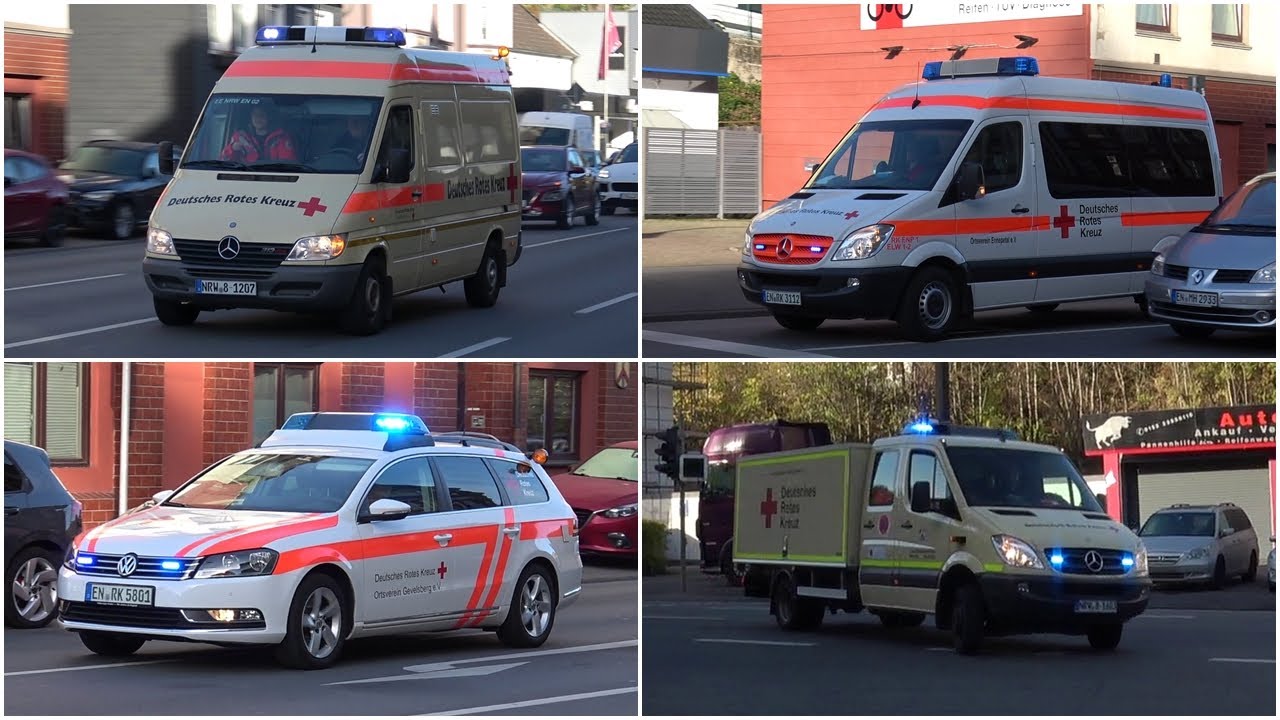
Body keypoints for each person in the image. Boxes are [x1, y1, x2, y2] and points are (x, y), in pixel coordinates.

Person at [220, 101, 297, 163]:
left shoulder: (281, 138)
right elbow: (224, 161)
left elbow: (287, 164)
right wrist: (233, 149)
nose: (258, 118)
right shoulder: (240, 137)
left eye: (262, 115)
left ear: (269, 117)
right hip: (245, 175)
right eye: (255, 114)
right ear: (250, 117)